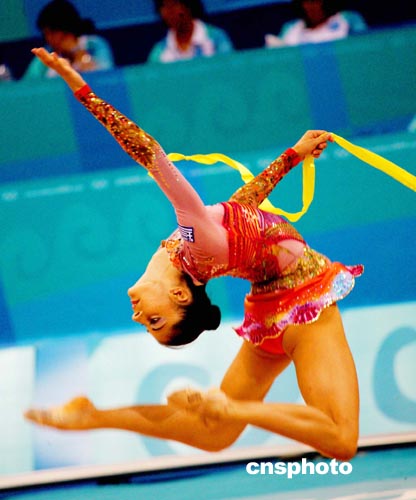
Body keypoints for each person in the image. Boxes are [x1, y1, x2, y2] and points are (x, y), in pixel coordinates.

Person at [25, 47, 363, 461]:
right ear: (180, 296)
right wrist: (82, 90)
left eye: (147, 323)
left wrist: (294, 155)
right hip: (304, 299)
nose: (137, 316)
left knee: (213, 432)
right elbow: (149, 153)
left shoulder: (190, 250)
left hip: (269, 308)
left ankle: (93, 415)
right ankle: (232, 409)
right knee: (341, 439)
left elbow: (243, 205)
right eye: (154, 320)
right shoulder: (195, 242)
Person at [23, 0, 114, 80]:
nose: (49, 38)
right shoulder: (44, 55)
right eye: (46, 34)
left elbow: (105, 76)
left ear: (67, 29)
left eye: (53, 33)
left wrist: (77, 54)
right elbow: (26, 86)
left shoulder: (94, 45)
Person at [148, 0, 233, 63]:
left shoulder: (217, 38)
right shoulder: (159, 51)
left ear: (188, 6)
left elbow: (229, 71)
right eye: (163, 6)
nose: (170, 11)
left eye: (174, 4)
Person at [265, 0, 368, 48]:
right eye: (307, 2)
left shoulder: (348, 19)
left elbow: (363, 50)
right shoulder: (290, 29)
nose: (312, 6)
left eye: (316, 1)